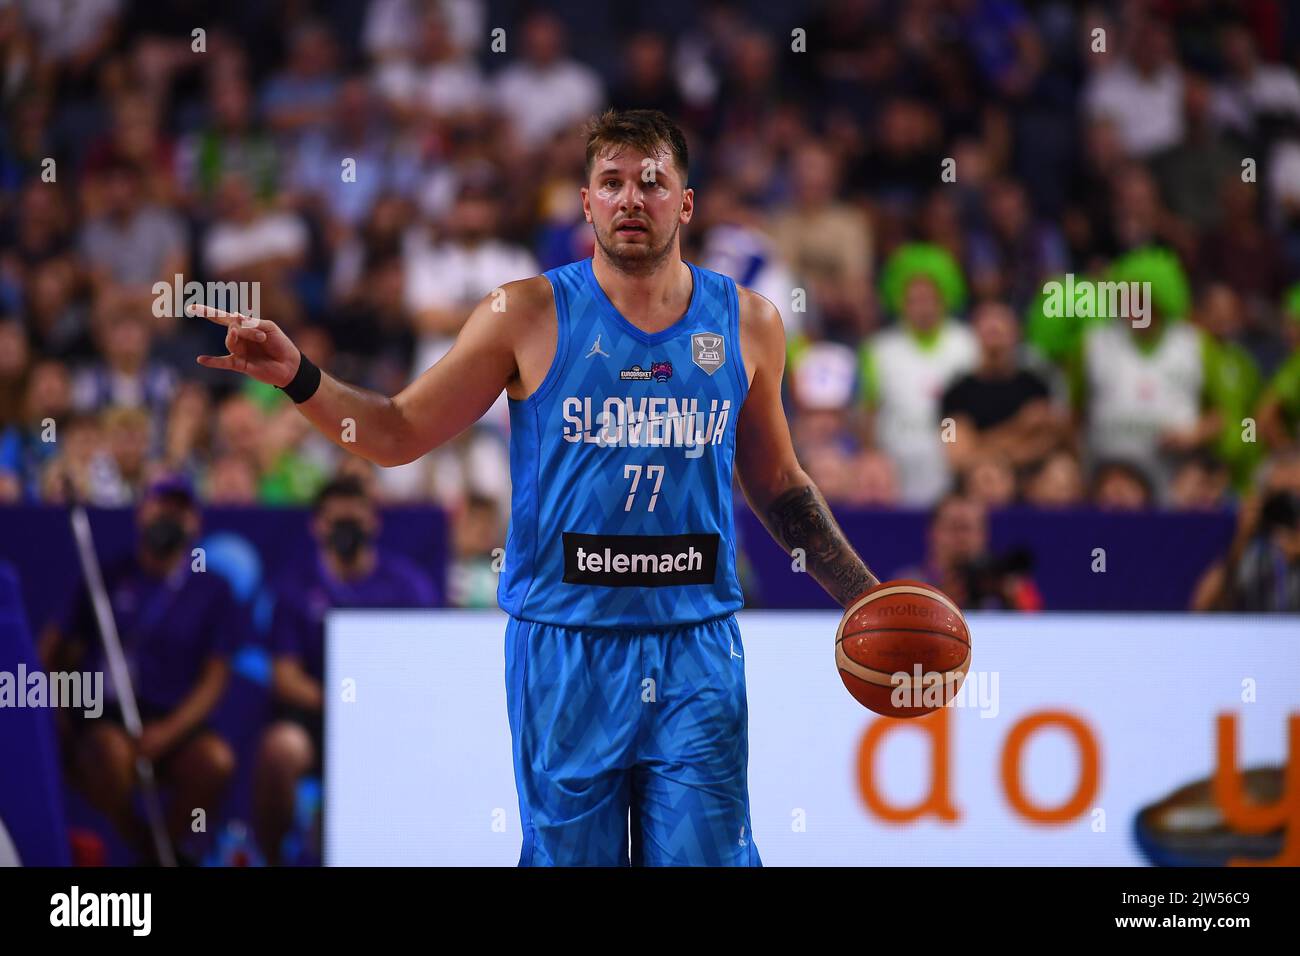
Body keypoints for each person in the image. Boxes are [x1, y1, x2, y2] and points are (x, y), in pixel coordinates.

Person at [191, 108, 879, 867]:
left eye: (651, 182)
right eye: (610, 182)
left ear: (685, 203)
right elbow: (392, 434)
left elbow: (779, 484)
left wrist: (864, 596)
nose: (629, 199)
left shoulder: (748, 322)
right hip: (564, 645)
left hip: (695, 646)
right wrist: (299, 376)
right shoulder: (522, 313)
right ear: (585, 203)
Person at [42, 475, 247, 862]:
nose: (168, 518)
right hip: (107, 717)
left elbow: (215, 677)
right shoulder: (107, 577)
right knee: (110, 754)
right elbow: (54, 652)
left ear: (195, 523)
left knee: (215, 762)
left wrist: (167, 732)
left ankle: (165, 849)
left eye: (179, 511)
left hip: (174, 721)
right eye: (159, 507)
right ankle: (144, 846)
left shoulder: (212, 589)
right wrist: (63, 716)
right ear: (140, 514)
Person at [254, 474, 438, 864]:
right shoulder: (295, 587)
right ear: (316, 526)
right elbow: (285, 676)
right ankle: (272, 858)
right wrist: (341, 703)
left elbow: (429, 659)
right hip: (318, 718)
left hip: (390, 720)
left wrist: (381, 704)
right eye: (336, 522)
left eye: (355, 521)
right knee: (279, 749)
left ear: (374, 522)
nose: (346, 531)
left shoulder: (407, 586)